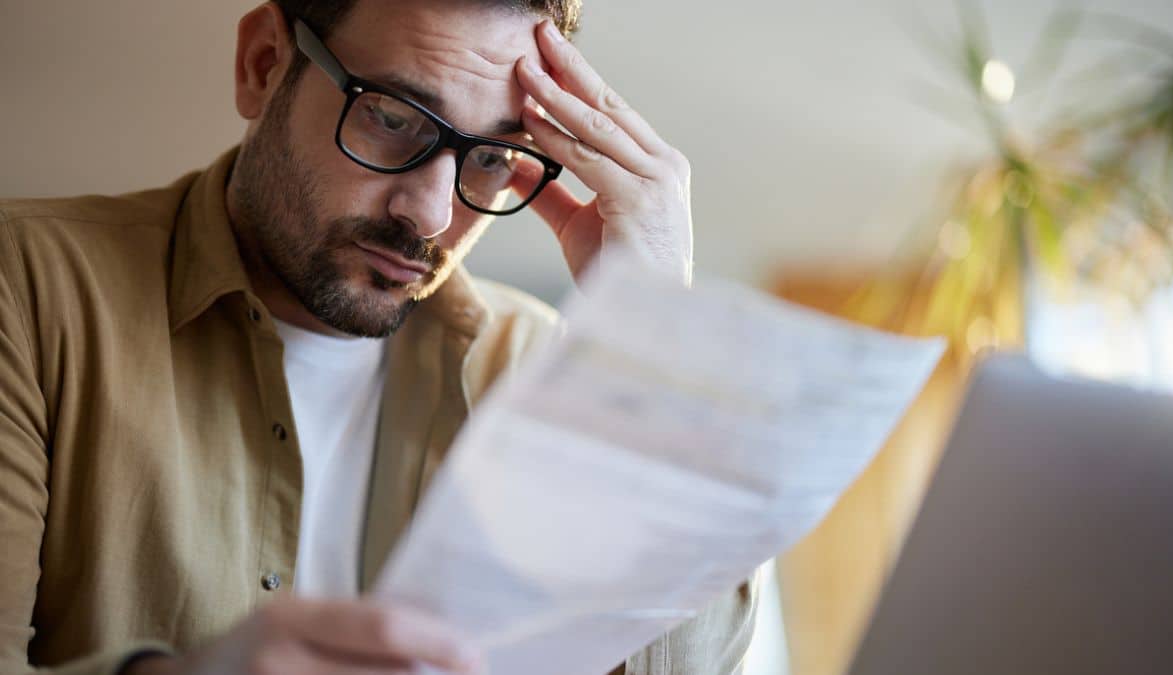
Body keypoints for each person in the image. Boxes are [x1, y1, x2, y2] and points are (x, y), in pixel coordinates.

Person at [0, 0, 757, 673]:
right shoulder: (27, 288)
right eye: (393, 118)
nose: (429, 215)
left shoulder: (539, 371)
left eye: (491, 156)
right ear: (264, 66)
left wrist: (657, 333)